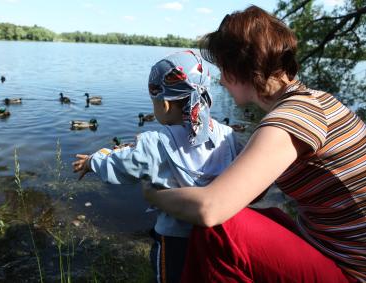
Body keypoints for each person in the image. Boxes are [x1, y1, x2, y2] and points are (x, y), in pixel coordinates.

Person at [142, 6, 366, 283]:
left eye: (223, 69)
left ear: (240, 67)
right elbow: (252, 193)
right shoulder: (313, 101)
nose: (221, 81)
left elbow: (209, 209)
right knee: (260, 213)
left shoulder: (293, 116)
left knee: (220, 228)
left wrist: (153, 194)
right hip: (328, 249)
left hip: (350, 272)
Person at [72, 50, 242, 283]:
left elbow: (123, 164)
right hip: (221, 235)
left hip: (175, 239)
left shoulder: (156, 142)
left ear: (164, 103)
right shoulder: (228, 136)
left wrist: (93, 161)